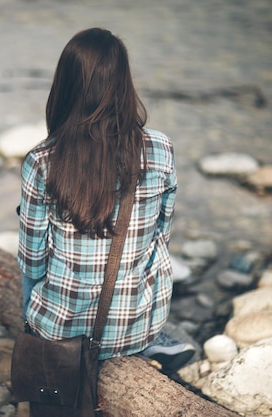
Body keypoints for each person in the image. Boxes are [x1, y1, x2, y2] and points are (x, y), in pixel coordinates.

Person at [17, 27, 194, 372]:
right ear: (123, 84)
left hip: (61, 328)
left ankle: (31, 332)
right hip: (134, 328)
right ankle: (155, 342)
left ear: (64, 86)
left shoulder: (42, 161)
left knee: (29, 268)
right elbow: (163, 234)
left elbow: (33, 261)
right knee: (148, 252)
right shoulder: (160, 148)